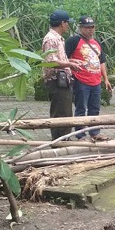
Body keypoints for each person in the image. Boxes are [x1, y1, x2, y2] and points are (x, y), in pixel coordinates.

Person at [65, 16, 112, 141]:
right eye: (87, 27)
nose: (90, 30)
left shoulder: (97, 43)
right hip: (81, 80)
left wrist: (105, 79)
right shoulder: (73, 41)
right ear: (81, 28)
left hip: (96, 80)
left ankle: (94, 132)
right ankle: (80, 134)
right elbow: (63, 58)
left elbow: (102, 61)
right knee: (81, 108)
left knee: (95, 108)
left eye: (92, 27)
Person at [42, 10, 83, 141]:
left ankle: (64, 138)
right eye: (67, 23)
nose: (68, 26)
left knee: (66, 111)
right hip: (56, 80)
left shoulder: (59, 39)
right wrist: (69, 65)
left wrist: (71, 61)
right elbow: (51, 62)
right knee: (60, 111)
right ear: (62, 23)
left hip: (63, 80)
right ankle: (58, 140)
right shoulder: (50, 39)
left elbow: (58, 58)